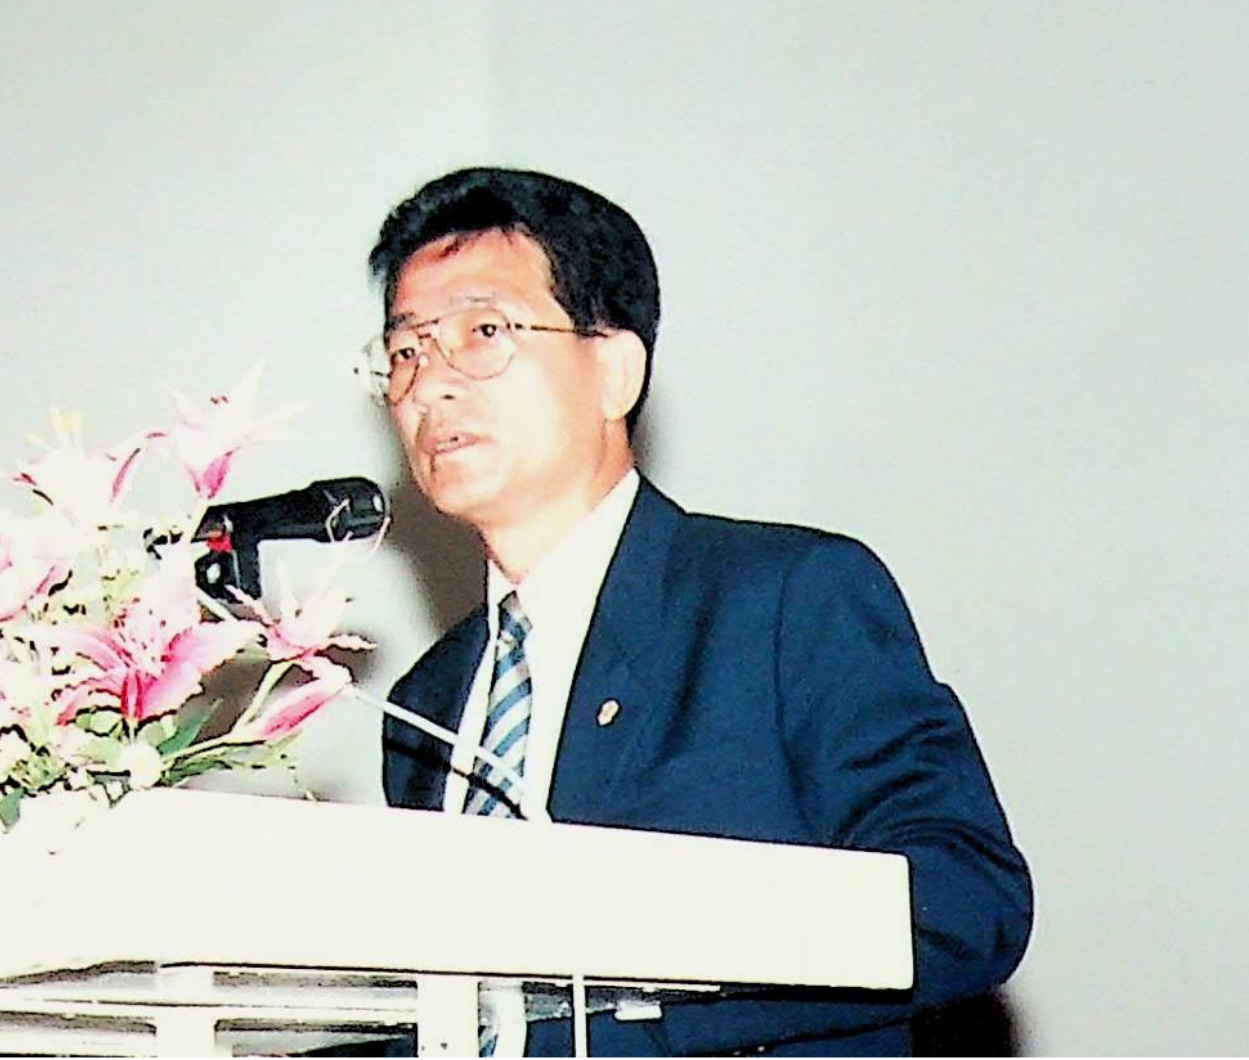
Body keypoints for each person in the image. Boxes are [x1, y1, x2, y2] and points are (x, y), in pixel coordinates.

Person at [360, 167, 1032, 1056]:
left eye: (483, 332)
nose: (429, 385)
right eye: (405, 350)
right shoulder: (426, 701)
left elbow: (962, 897)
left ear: (615, 370)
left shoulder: (784, 599)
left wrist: (636, 1012)